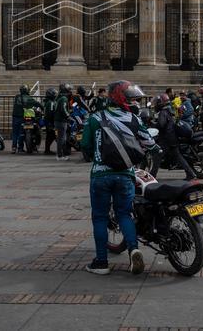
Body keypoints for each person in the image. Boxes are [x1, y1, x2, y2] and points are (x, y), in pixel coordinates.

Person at [80, 80, 155, 276]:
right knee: (124, 215)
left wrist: (97, 152)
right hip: (126, 174)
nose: (134, 101)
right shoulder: (134, 118)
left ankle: (101, 262)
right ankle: (133, 250)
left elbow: (85, 145)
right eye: (131, 98)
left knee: (100, 217)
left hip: (101, 174)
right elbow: (149, 143)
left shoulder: (95, 118)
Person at [12, 85, 41, 154]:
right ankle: (20, 148)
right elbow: (37, 104)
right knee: (21, 133)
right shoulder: (28, 98)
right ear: (27, 90)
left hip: (15, 116)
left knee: (15, 133)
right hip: (22, 116)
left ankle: (14, 147)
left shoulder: (17, 97)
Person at [54, 84, 73, 161]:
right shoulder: (64, 98)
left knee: (61, 138)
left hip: (58, 120)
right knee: (61, 139)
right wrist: (68, 116)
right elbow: (63, 109)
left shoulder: (59, 98)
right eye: (69, 90)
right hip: (61, 121)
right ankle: (60, 155)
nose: (70, 91)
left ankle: (61, 155)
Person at [42, 88, 58, 155]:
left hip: (48, 121)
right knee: (52, 135)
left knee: (50, 136)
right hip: (50, 121)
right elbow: (51, 112)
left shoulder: (47, 102)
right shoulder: (51, 102)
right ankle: (47, 150)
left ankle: (47, 150)